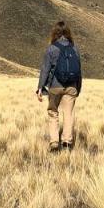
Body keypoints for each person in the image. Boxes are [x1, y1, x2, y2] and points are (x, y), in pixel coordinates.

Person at [36, 20, 83, 153]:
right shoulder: (74, 48)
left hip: (55, 86)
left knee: (53, 112)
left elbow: (45, 69)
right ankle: (67, 142)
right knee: (68, 114)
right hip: (71, 87)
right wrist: (78, 87)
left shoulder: (51, 48)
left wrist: (40, 88)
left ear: (54, 33)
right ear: (68, 33)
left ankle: (55, 143)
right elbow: (79, 70)